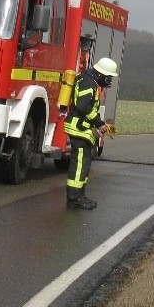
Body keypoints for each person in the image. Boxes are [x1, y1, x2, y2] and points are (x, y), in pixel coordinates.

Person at [63, 57, 119, 209]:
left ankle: (79, 195)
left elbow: (89, 108)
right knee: (80, 165)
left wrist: (99, 124)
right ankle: (74, 198)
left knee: (84, 164)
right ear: (101, 74)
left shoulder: (89, 80)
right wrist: (99, 123)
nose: (109, 81)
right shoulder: (89, 83)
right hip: (78, 129)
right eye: (108, 77)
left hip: (82, 128)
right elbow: (84, 106)